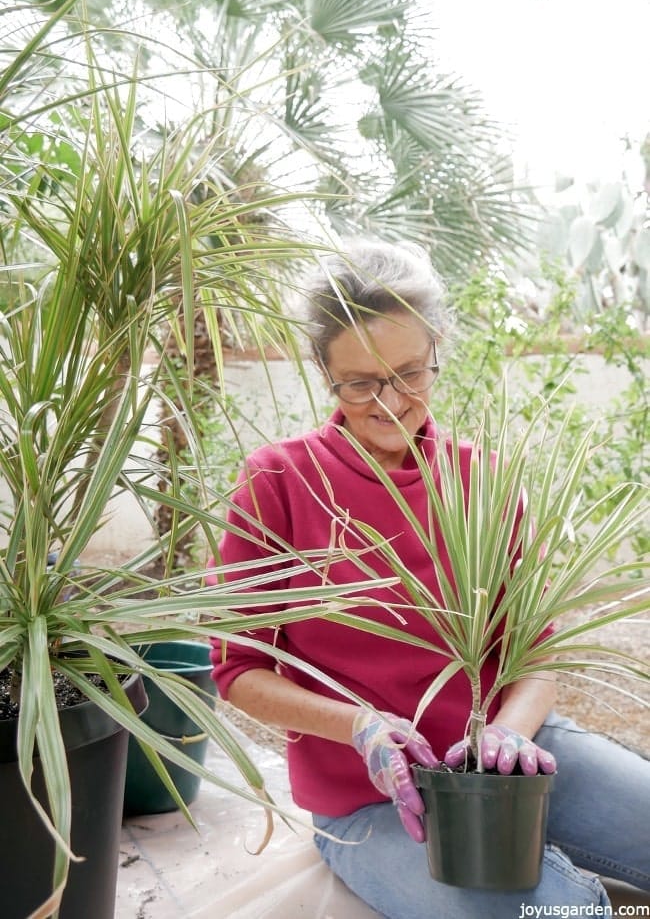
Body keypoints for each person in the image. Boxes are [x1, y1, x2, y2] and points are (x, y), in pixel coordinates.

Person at [209, 239, 650, 919]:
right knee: (556, 911)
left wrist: (507, 733)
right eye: (358, 383)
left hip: (517, 754)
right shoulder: (278, 482)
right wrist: (359, 726)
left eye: (409, 373)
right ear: (324, 372)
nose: (388, 401)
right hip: (367, 800)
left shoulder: (484, 477)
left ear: (437, 347)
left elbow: (537, 650)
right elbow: (238, 671)